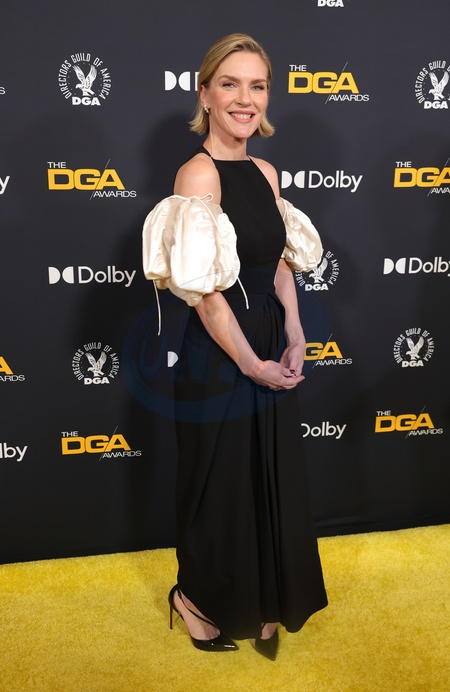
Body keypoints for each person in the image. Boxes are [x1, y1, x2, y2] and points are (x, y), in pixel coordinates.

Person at [142, 33, 327, 660]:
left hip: (267, 337)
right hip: (222, 354)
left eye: (257, 86)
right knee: (219, 486)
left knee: (264, 477)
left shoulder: (266, 172)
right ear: (205, 95)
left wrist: (295, 331)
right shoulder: (198, 173)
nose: (245, 99)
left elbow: (278, 264)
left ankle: (261, 598)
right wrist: (251, 363)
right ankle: (193, 599)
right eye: (230, 84)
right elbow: (204, 292)